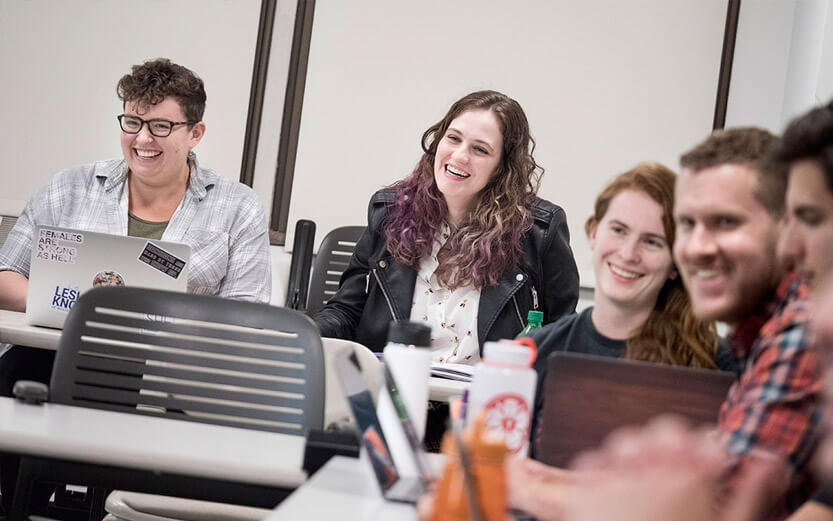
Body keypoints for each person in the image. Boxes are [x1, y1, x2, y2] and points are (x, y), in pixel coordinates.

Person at [0, 57, 271, 516]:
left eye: (161, 126)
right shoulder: (70, 188)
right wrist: (81, 308)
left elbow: (248, 315)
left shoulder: (236, 207)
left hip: (175, 379)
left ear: (195, 133)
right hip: (60, 359)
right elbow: (6, 278)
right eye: (132, 121)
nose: (142, 139)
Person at [313, 90, 579, 361]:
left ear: (502, 167)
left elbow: (561, 340)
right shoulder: (390, 214)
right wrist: (305, 331)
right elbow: (346, 311)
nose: (460, 156)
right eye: (453, 138)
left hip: (481, 397)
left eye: (480, 149)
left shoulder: (537, 232)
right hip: (392, 387)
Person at [526, 162, 735, 446]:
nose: (628, 253)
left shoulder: (716, 367)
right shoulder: (536, 352)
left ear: (676, 261)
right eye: (619, 230)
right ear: (593, 232)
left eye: (651, 242)